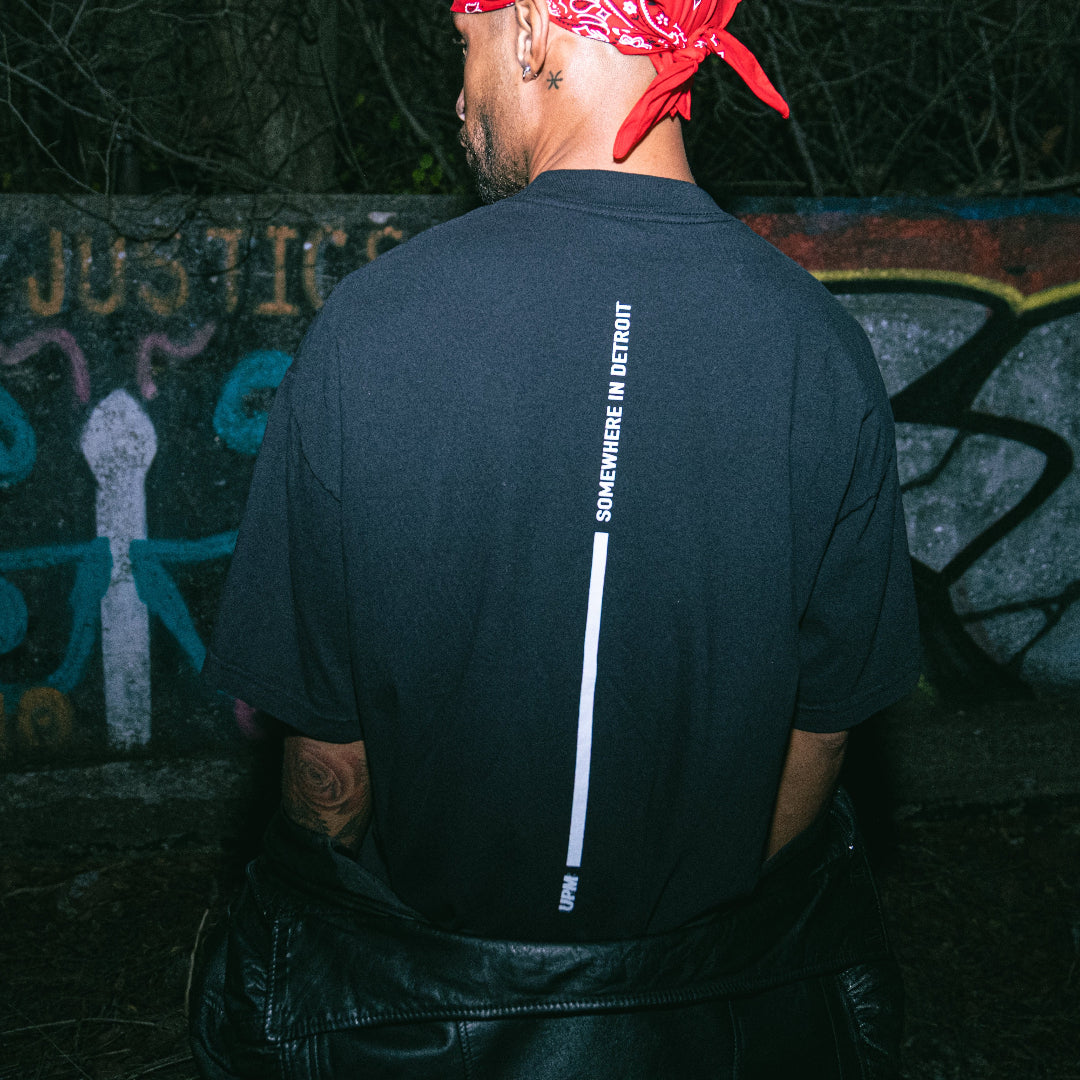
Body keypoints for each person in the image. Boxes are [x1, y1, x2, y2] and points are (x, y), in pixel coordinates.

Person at [191, 1, 921, 1076]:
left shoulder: (373, 327)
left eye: (465, 43)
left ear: (533, 29)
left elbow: (326, 777)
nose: (459, 89)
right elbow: (817, 748)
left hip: (426, 1019)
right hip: (707, 1020)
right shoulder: (821, 347)